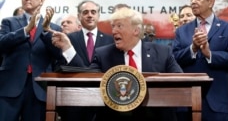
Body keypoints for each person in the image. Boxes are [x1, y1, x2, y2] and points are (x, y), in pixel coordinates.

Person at [51, 7, 183, 121]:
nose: (114, 31)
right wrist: (68, 48)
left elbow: (181, 82)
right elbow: (86, 78)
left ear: (136, 30)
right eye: (113, 26)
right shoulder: (103, 54)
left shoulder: (162, 52)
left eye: (119, 26)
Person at [172, 0, 228, 121]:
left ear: (211, 2)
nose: (193, 2)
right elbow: (173, 59)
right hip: (186, 101)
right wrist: (193, 48)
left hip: (217, 102)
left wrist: (209, 54)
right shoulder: (182, 31)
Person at [0, 0, 63, 121]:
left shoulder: (54, 27)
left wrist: (46, 32)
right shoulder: (9, 22)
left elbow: (58, 55)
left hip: (38, 88)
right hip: (11, 86)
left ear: (42, 1)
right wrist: (25, 30)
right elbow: (1, 44)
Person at [51, 0, 114, 121]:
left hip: (103, 103)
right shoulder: (68, 39)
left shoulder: (110, 41)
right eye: (85, 12)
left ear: (98, 15)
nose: (90, 15)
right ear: (79, 16)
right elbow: (60, 67)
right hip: (74, 102)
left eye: (93, 12)